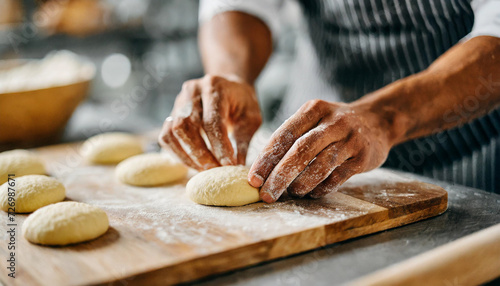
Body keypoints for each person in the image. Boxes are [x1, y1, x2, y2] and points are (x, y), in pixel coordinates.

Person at [159, 0, 500, 202]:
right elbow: (242, 4)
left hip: (462, 146)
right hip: (314, 140)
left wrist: (383, 118)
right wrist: (231, 75)